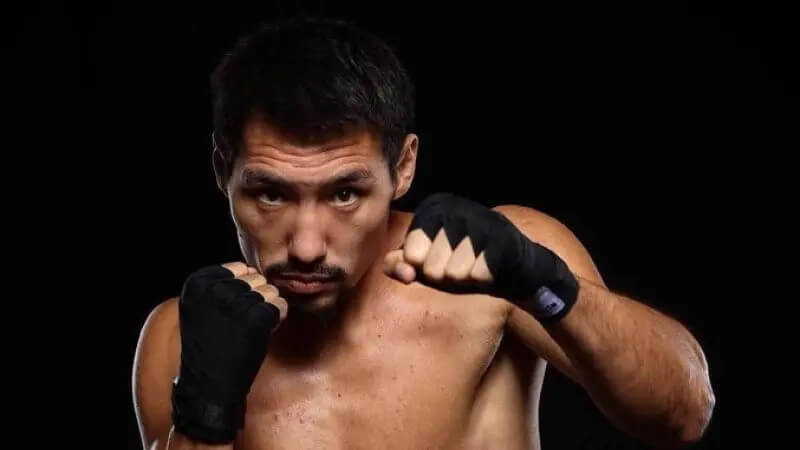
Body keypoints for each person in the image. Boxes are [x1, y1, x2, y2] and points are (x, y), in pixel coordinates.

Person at [132, 16, 715, 450]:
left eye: (345, 193)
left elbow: (684, 415)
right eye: (271, 193)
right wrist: (206, 412)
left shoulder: (499, 266)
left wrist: (545, 283)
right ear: (222, 172)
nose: (306, 246)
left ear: (404, 167)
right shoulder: (180, 339)